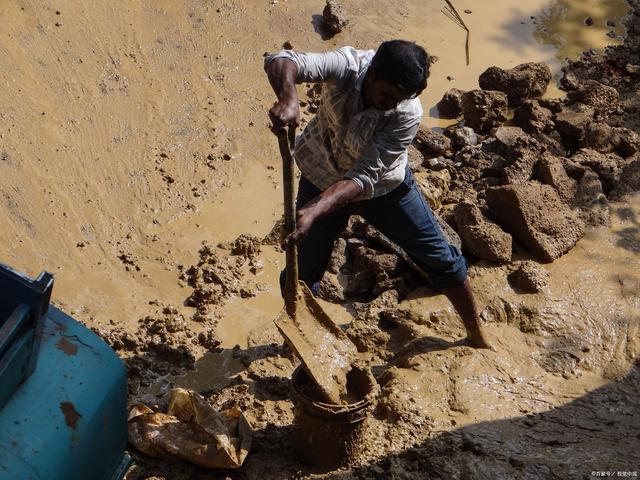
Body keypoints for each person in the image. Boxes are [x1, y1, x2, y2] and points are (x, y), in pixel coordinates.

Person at [265, 40, 491, 349]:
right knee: (299, 271)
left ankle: (477, 334)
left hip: (383, 189)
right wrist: (289, 98)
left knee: (441, 259)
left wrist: (315, 210)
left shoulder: (407, 112)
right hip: (321, 173)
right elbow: (282, 60)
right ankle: (302, 339)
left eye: (400, 98)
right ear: (371, 73)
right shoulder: (347, 66)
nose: (392, 104)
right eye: (387, 94)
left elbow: (364, 176)